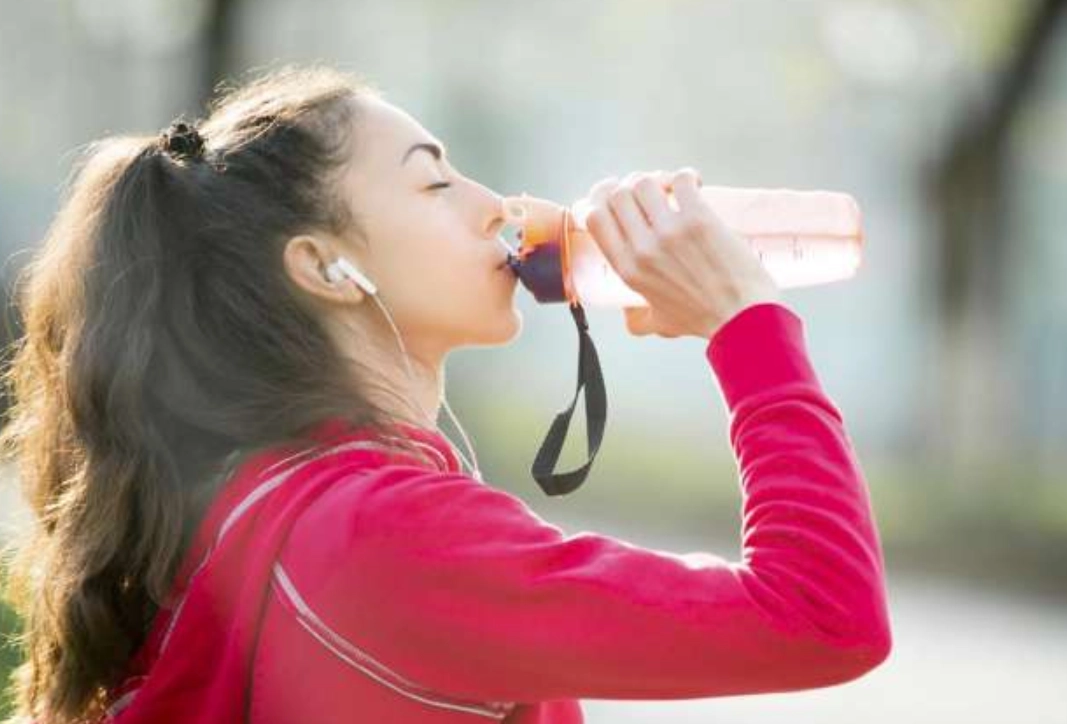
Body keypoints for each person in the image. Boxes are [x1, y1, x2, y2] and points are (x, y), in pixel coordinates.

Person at [0, 64, 891, 724]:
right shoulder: (385, 535)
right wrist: (747, 333)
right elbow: (822, 617)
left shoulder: (268, 504)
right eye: (435, 181)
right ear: (326, 268)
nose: (495, 203)